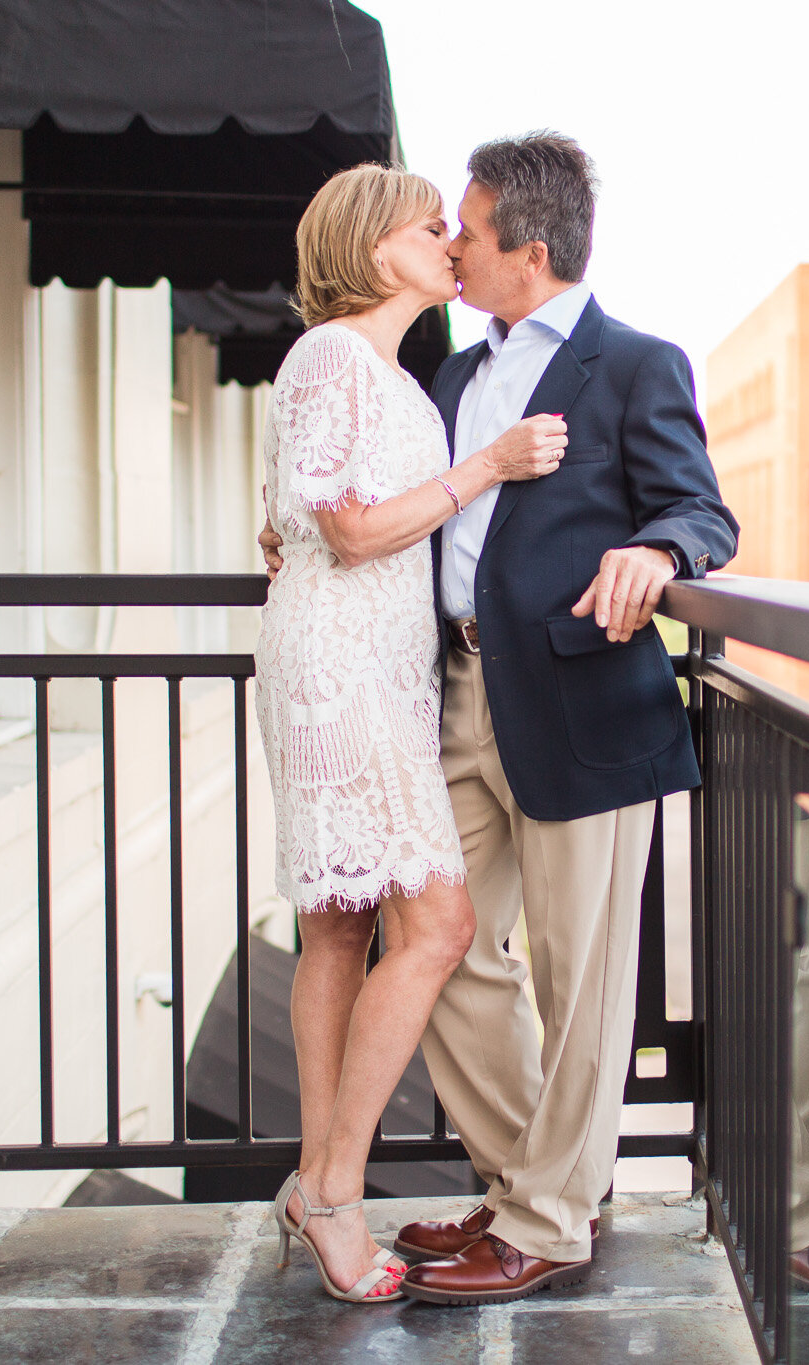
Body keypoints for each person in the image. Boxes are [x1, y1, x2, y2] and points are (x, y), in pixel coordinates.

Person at [263, 131, 738, 1306]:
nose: (452, 246)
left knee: (578, 979)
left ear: (528, 248)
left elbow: (701, 512)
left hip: (582, 698)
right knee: (447, 950)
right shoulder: (444, 378)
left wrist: (656, 547)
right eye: (438, 230)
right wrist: (293, 525)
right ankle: (534, 1180)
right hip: (441, 696)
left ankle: (546, 1215)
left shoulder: (635, 362)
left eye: (464, 230)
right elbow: (365, 502)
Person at [254, 162, 568, 1305]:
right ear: (367, 244)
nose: (450, 238)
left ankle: (316, 1181)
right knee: (434, 923)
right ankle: (334, 1191)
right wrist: (483, 465)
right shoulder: (336, 354)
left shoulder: (386, 372)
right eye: (427, 223)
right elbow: (344, 531)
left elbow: (295, 514)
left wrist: (292, 531)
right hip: (338, 671)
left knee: (341, 930)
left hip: (376, 670)